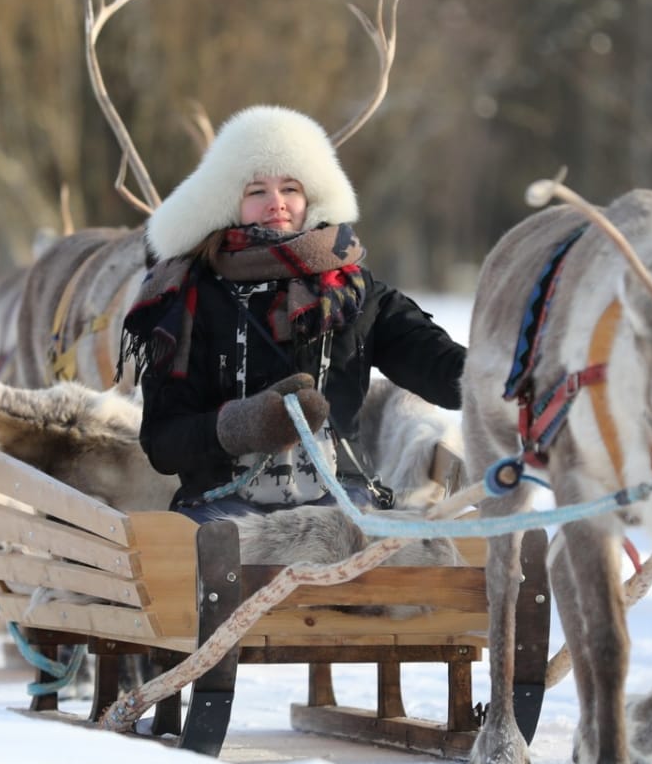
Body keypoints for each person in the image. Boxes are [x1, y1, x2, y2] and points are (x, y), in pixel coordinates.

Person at [122, 105, 465, 522]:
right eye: (257, 191)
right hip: (221, 511)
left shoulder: (357, 294)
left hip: (343, 505)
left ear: (313, 197)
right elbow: (162, 442)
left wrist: (515, 370)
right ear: (229, 202)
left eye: (290, 187)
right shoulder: (191, 298)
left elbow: (448, 376)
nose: (276, 204)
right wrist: (240, 425)